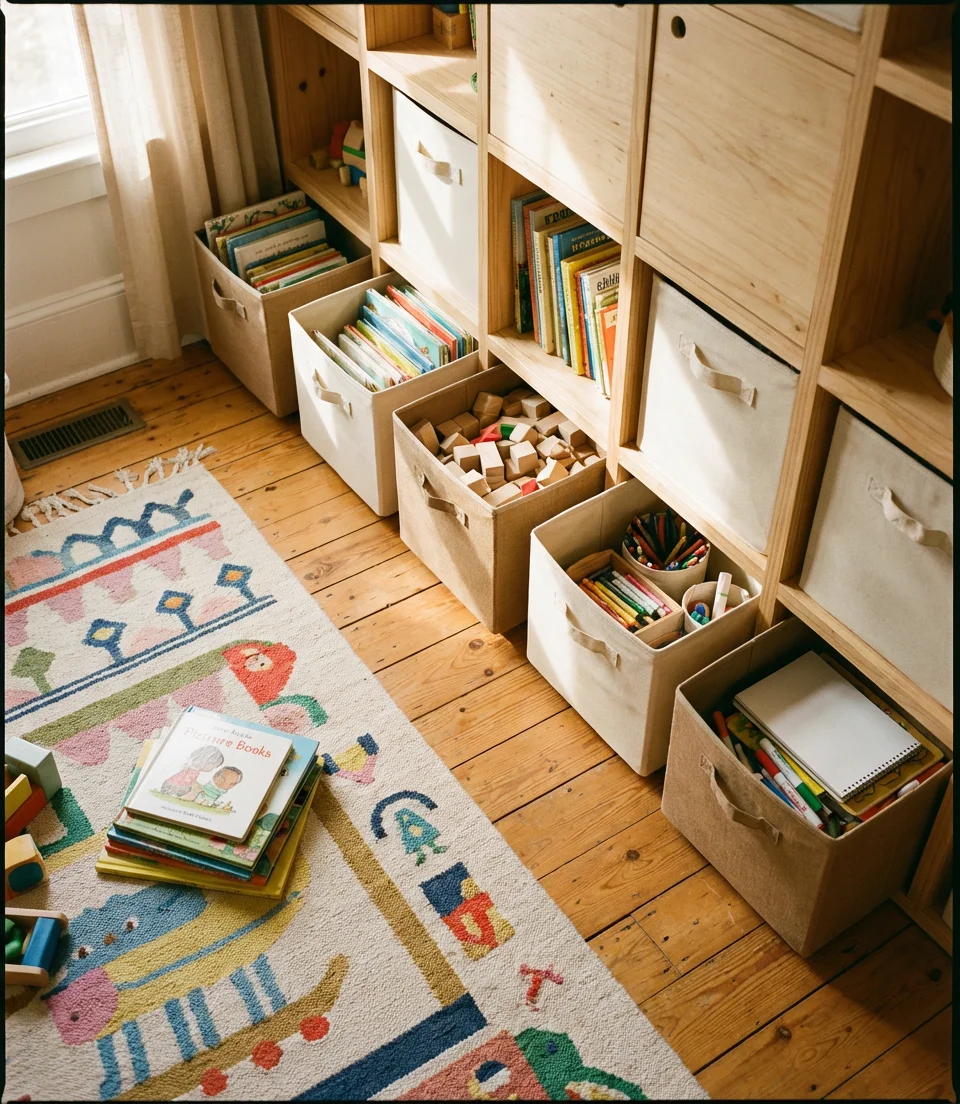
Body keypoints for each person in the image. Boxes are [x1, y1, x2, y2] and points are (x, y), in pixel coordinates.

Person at [159, 746, 224, 799]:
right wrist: (196, 786)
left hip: (169, 785)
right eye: (213, 766)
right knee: (193, 791)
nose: (212, 769)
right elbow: (188, 780)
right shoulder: (193, 770)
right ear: (207, 762)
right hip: (172, 786)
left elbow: (190, 780)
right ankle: (177, 796)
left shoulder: (193, 768)